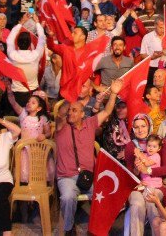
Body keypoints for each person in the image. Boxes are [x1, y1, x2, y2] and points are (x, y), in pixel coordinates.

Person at [54, 79, 121, 236]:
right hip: (67, 177)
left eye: (75, 110)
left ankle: (98, 229)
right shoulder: (61, 127)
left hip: (88, 177)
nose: (71, 113)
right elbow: (61, 114)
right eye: (70, 110)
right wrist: (71, 95)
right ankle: (69, 228)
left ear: (83, 114)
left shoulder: (89, 123)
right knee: (68, 197)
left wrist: (114, 93)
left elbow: (107, 112)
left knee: (106, 195)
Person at [124, 113, 166, 236]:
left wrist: (149, 171)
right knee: (137, 204)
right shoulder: (131, 146)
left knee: (151, 201)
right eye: (136, 127)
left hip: (157, 186)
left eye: (143, 126)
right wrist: (137, 171)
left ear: (149, 126)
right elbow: (130, 173)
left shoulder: (161, 143)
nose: (140, 130)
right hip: (139, 186)